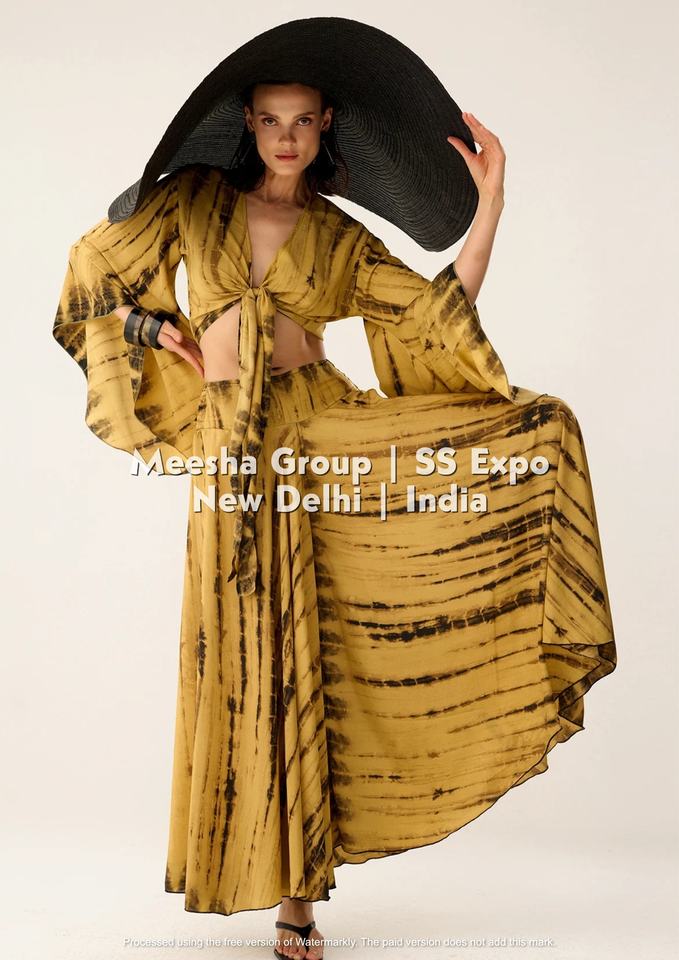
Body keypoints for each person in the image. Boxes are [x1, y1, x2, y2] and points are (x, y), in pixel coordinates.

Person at [53, 36, 617, 960]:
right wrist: (151, 326)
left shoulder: (339, 237)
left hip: (318, 436)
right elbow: (89, 273)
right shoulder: (192, 200)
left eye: (303, 121)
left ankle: (299, 901)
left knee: (309, 652)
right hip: (232, 450)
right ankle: (256, 861)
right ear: (247, 124)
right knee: (245, 651)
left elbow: (436, 317)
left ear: (325, 130)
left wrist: (489, 205)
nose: (286, 136)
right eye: (270, 119)